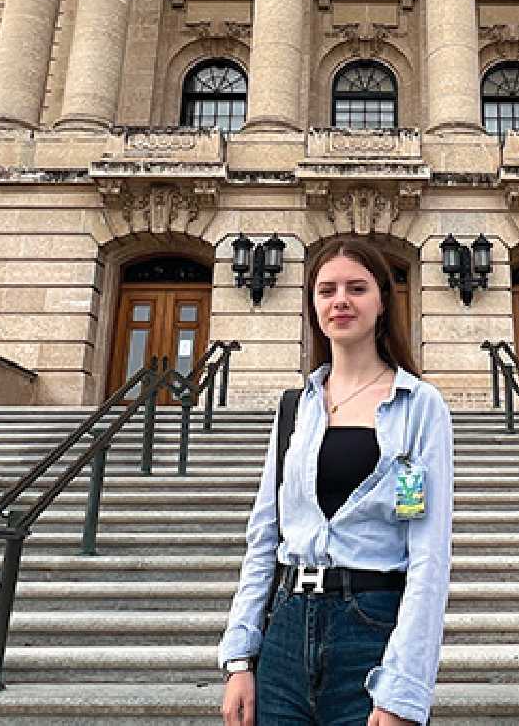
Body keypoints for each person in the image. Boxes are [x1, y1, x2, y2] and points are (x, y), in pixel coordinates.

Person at [218, 237, 455, 726]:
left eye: (356, 288)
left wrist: (403, 689)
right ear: (313, 305)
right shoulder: (294, 408)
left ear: (382, 301)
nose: (340, 300)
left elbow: (429, 554)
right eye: (327, 290)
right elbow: (264, 537)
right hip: (284, 630)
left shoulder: (419, 406)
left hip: (370, 629)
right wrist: (239, 658)